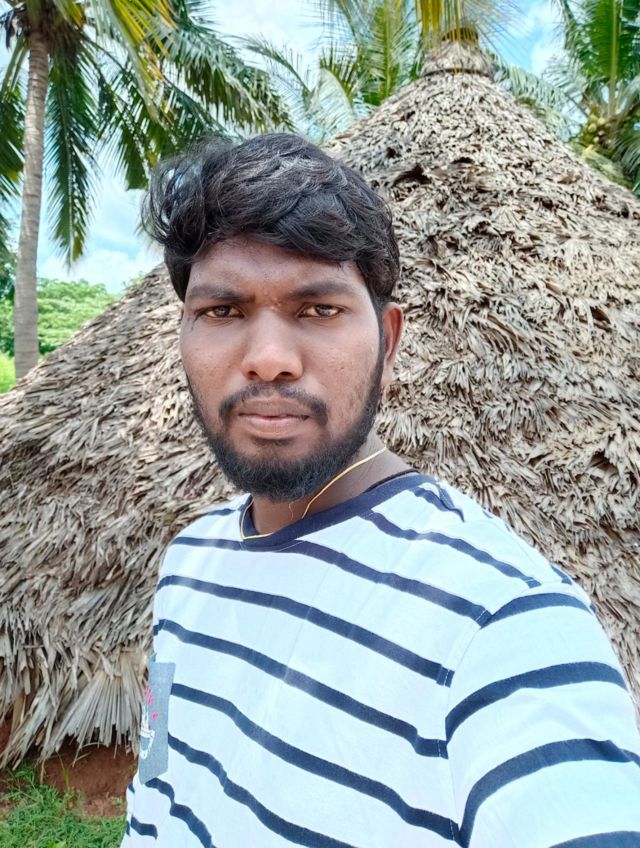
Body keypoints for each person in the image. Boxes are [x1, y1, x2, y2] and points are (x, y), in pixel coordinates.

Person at [122, 133, 640, 847]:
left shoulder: (499, 625)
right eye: (223, 311)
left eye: (318, 309)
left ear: (389, 343)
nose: (268, 359)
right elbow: (157, 788)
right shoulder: (189, 561)